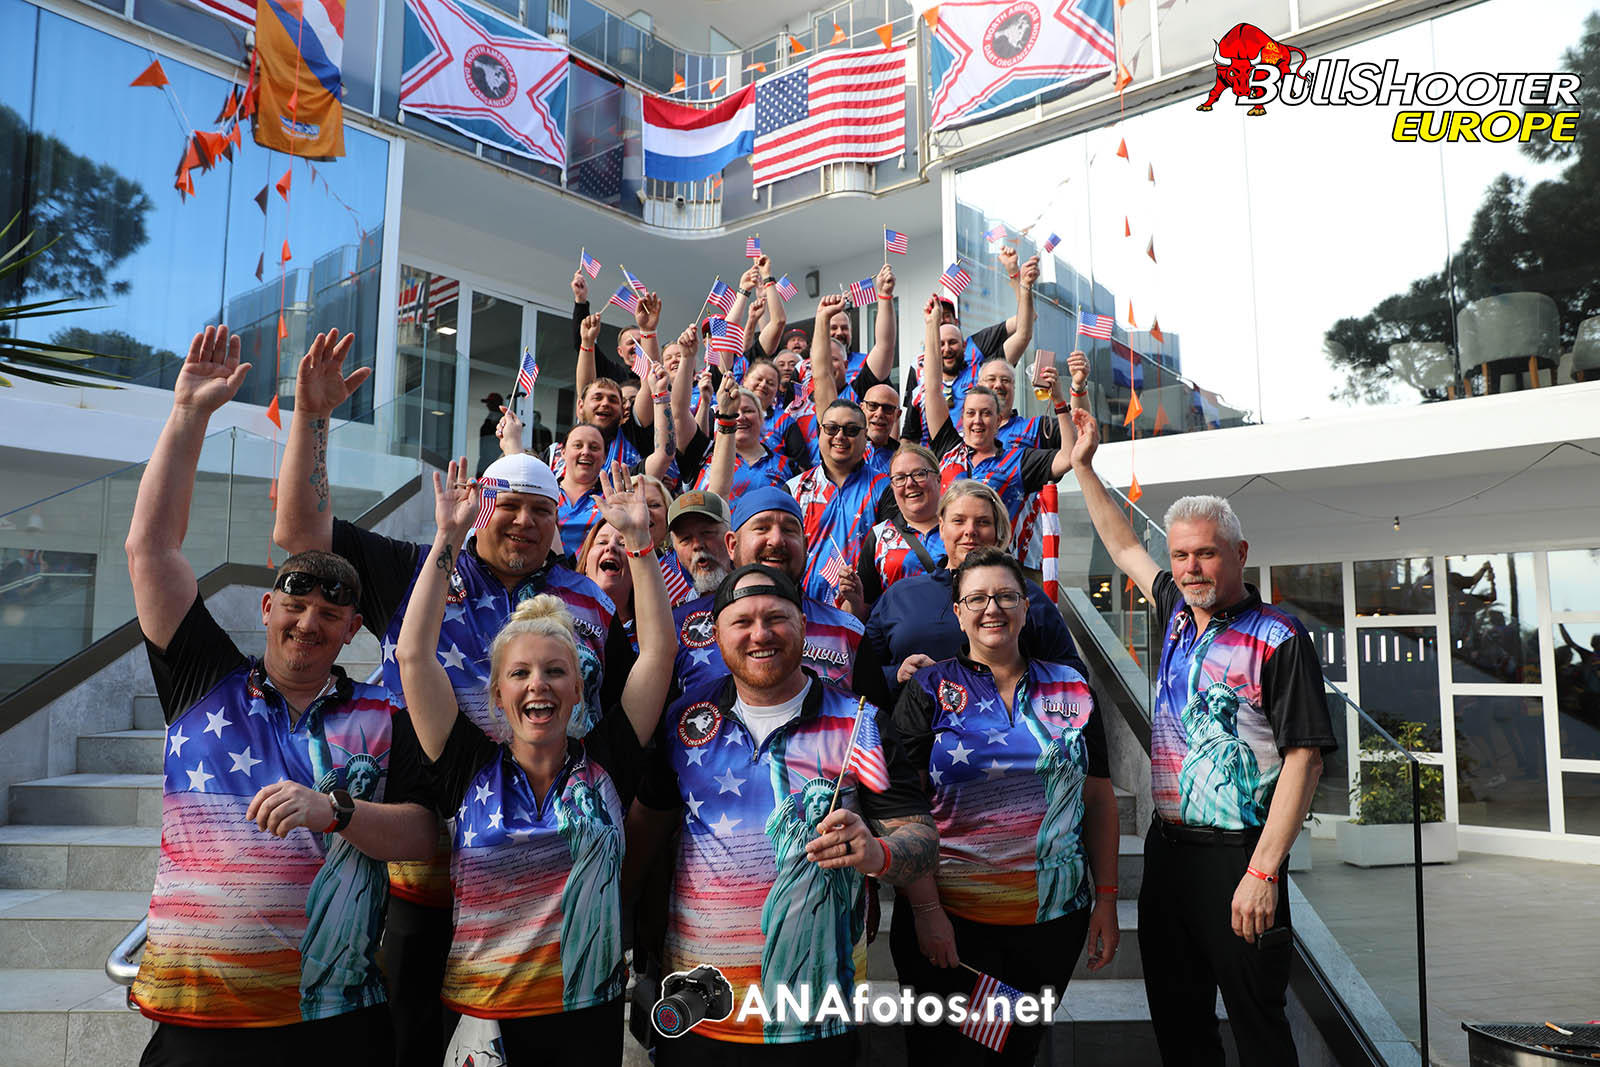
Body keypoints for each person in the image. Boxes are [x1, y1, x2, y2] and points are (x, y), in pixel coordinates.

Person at [272, 329, 626, 1067]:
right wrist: (313, 417)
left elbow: (615, 719)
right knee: (413, 1047)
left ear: (559, 520)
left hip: (534, 887)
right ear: (480, 504)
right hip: (417, 872)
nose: (524, 521)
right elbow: (298, 532)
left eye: (541, 509)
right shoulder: (418, 565)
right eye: (509, 505)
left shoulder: (589, 598)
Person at [127, 327, 436, 1066]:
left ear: (354, 629)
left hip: (333, 1023)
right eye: (295, 606)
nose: (308, 623)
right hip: (198, 1023)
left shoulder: (384, 717)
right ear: (267, 608)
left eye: (331, 614)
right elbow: (151, 549)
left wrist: (338, 811)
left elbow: (428, 834)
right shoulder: (203, 679)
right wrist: (189, 414)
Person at [1067, 406, 1337, 1067]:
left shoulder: (1279, 637)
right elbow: (1123, 546)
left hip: (1239, 857)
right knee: (1180, 1026)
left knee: (1258, 1027)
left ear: (1239, 554)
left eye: (1207, 553)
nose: (1191, 567)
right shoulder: (1176, 611)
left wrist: (1263, 871)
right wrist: (1083, 466)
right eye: (1181, 554)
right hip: (1169, 856)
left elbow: (1304, 760)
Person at [397, 460, 674, 1066]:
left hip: (584, 1014)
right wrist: (448, 539)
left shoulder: (609, 762)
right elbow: (414, 655)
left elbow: (658, 651)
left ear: (578, 688)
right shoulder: (466, 765)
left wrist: (640, 543)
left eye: (555, 671)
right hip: (481, 1016)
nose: (538, 685)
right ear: (497, 695)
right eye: (519, 673)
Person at [626, 565, 938, 1063]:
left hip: (818, 1015)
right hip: (699, 1011)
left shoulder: (862, 723)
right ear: (718, 636)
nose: (760, 634)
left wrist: (877, 853)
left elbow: (920, 841)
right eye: (742, 621)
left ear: (803, 627)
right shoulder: (683, 719)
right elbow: (643, 834)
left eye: (776, 618)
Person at [890, 547, 1120, 1066]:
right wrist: (926, 912)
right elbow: (904, 812)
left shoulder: (1072, 686)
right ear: (958, 613)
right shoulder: (928, 689)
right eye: (977, 598)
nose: (991, 608)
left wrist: (1106, 900)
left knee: (1015, 1053)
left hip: (1050, 923)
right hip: (952, 923)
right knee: (949, 1058)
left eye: (1006, 596)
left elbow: (1098, 796)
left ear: (1026, 607)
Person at [865, 480, 1080, 703]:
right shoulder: (899, 596)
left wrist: (1016, 684)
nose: (970, 531)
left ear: (997, 531)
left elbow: (1072, 672)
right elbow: (859, 672)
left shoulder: (1027, 596)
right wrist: (896, 675)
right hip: (911, 720)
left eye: (983, 522)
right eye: (958, 521)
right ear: (941, 527)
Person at [669, 487, 885, 707]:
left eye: (789, 530)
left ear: (805, 545)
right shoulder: (681, 626)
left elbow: (872, 716)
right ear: (732, 545)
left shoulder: (847, 631)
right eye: (761, 528)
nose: (776, 540)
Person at [921, 295, 1073, 549]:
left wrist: (1061, 399)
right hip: (947, 563)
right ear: (961, 417)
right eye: (971, 413)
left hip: (998, 563)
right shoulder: (949, 448)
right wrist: (931, 326)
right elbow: (933, 389)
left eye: (986, 413)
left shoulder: (1016, 460)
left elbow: (1069, 456)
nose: (977, 421)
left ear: (998, 420)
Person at [902, 248, 1038, 443]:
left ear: (962, 341)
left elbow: (1024, 327)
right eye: (936, 319)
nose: (947, 348)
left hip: (977, 450)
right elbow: (908, 435)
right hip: (937, 456)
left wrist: (1017, 278)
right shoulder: (918, 372)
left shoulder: (981, 371)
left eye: (946, 317)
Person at [785, 397, 892, 611]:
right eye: (832, 428)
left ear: (865, 435)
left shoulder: (885, 488)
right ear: (820, 432)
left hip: (865, 614)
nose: (840, 436)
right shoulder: (794, 488)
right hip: (801, 611)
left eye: (851, 430)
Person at [859, 443, 944, 603]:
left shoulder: (961, 527)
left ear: (938, 479)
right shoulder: (879, 537)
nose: (910, 483)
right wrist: (853, 598)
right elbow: (864, 606)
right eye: (900, 478)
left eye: (919, 474)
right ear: (892, 487)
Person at [700, 374, 793, 505]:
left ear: (761, 419)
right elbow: (679, 414)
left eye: (748, 411)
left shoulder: (787, 465)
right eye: (734, 412)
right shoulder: (704, 456)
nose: (740, 417)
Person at [667, 489, 734, 596]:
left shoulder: (758, 587)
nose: (697, 545)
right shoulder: (681, 605)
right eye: (685, 539)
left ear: (731, 538)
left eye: (707, 532)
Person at [477, 392, 506, 477]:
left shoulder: (503, 421)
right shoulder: (489, 419)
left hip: (497, 461)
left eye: (490, 403)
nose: (487, 405)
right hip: (485, 460)